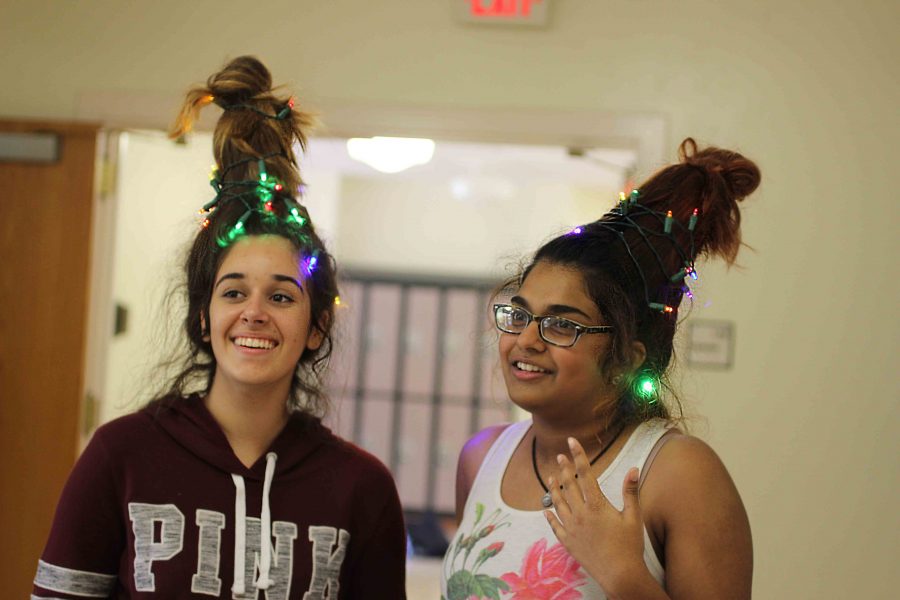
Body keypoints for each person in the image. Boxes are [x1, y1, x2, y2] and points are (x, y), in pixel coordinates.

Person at [33, 56, 407, 599]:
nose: (254, 312)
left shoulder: (361, 487)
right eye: (233, 292)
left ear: (318, 326)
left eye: (281, 295)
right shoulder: (121, 456)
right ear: (203, 320)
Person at [442, 139, 758, 600]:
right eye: (520, 314)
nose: (526, 340)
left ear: (628, 357)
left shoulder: (678, 474)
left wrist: (624, 573)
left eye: (561, 324)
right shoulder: (480, 457)